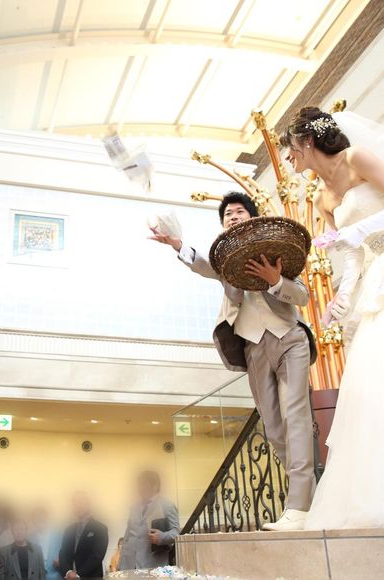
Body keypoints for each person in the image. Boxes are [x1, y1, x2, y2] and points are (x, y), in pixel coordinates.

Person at [149, 192, 317, 531]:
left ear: (253, 217)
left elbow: (302, 295)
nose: (233, 216)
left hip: (289, 339)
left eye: (240, 211)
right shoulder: (225, 260)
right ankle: (307, 499)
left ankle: (300, 506)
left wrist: (275, 280)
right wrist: (177, 244)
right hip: (252, 346)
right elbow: (203, 264)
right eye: (227, 214)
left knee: (295, 415)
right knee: (273, 427)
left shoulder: (277, 250)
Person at [281, 107, 384, 529]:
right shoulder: (322, 199)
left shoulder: (357, 158)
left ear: (307, 142)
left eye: (290, 149)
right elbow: (352, 255)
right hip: (373, 276)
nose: (288, 158)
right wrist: (341, 298)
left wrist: (359, 230)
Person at [118, 471, 178, 570]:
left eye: (143, 484)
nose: (140, 488)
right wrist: (121, 563)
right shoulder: (134, 507)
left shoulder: (167, 505)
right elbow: (127, 537)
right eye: (139, 484)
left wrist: (162, 537)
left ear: (155, 485)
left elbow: (176, 533)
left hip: (153, 565)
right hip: (129, 565)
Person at [59, 492, 108, 580]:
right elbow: (62, 553)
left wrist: (78, 575)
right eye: (75, 503)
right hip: (69, 577)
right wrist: (68, 572)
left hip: (91, 577)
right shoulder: (69, 529)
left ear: (88, 504)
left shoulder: (101, 528)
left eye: (81, 501)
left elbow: (97, 555)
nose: (78, 505)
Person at [28, 507, 61, 580]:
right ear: (33, 521)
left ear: (47, 518)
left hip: (56, 577)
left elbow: (67, 557)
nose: (39, 519)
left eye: (41, 517)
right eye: (36, 518)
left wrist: (61, 562)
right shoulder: (29, 538)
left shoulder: (59, 536)